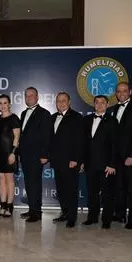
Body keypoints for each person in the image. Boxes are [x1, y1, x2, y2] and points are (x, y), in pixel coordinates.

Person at [107, 82, 132, 228]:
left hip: (130, 157)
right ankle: (120, 214)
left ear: (130, 92)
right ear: (116, 93)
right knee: (119, 187)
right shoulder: (115, 108)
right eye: (118, 91)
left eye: (124, 91)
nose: (121, 93)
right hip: (117, 156)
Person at [81, 95, 119, 229]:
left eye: (103, 102)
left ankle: (107, 219)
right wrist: (82, 161)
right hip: (90, 164)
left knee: (107, 194)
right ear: (94, 104)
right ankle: (92, 217)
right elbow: (83, 144)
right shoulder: (86, 120)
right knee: (92, 193)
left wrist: (112, 164)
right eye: (97, 102)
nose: (100, 105)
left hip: (106, 165)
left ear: (107, 104)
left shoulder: (113, 121)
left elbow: (116, 144)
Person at [49, 92, 83, 228]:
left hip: (70, 161)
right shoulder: (52, 117)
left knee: (71, 190)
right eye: (58, 100)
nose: (61, 103)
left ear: (69, 102)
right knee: (61, 190)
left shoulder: (76, 117)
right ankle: (65, 213)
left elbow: (79, 140)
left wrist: (75, 159)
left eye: (64, 100)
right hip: (57, 161)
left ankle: (72, 217)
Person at [19, 87, 51, 223]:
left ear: (37, 97)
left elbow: (47, 136)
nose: (29, 98)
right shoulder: (23, 113)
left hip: (37, 155)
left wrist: (45, 154)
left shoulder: (44, 113)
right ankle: (32, 209)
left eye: (31, 95)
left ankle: (36, 212)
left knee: (35, 183)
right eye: (26, 96)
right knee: (28, 183)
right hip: (25, 155)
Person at [0, 94, 21, 218]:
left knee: (9, 179)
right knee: (1, 179)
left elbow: (17, 138)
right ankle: (3, 206)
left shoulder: (14, 118)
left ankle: (10, 206)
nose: (3, 105)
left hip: (10, 153)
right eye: (0, 103)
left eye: (5, 103)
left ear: (9, 104)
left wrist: (13, 153)